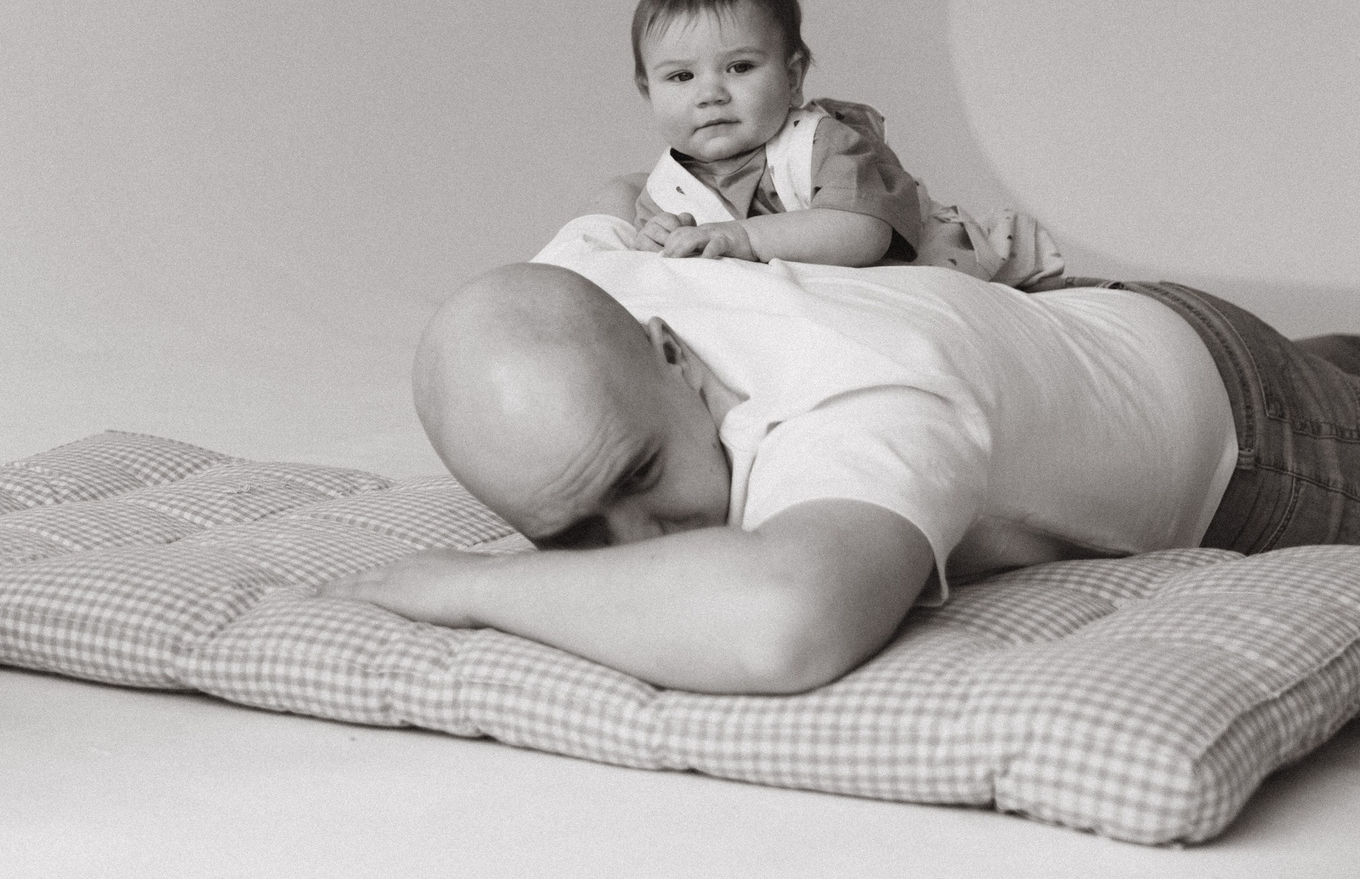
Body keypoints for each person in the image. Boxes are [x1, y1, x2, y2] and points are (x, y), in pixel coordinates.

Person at [325, 210, 1360, 695]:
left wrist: (474, 589)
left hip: (1260, 441)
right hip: (1080, 334)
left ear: (671, 356)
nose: (636, 545)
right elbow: (588, 231)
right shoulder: (591, 277)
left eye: (638, 476)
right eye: (572, 535)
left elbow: (784, 626)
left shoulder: (853, 407)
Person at [598, 0, 1061, 287]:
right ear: (647, 93)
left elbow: (863, 233)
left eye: (740, 68)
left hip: (918, 267)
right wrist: (659, 240)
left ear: (793, 76)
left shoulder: (822, 142)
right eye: (680, 76)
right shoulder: (664, 190)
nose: (710, 94)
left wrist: (742, 236)